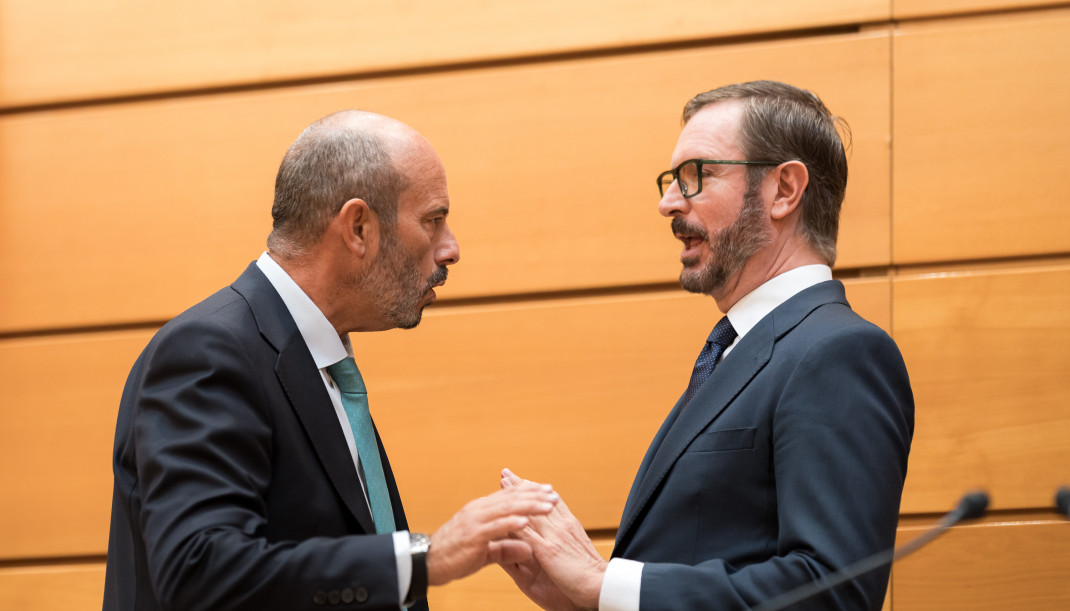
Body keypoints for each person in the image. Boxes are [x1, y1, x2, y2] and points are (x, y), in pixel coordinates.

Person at [103, 110, 559, 611]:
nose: (450, 250)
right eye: (433, 220)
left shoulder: (321, 360)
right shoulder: (208, 352)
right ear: (358, 227)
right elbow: (199, 572)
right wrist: (428, 559)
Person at [500, 81, 915, 610]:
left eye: (696, 175)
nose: (667, 202)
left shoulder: (838, 352)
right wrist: (587, 602)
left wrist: (603, 584)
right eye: (672, 179)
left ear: (784, 190)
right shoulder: (737, 350)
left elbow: (833, 593)